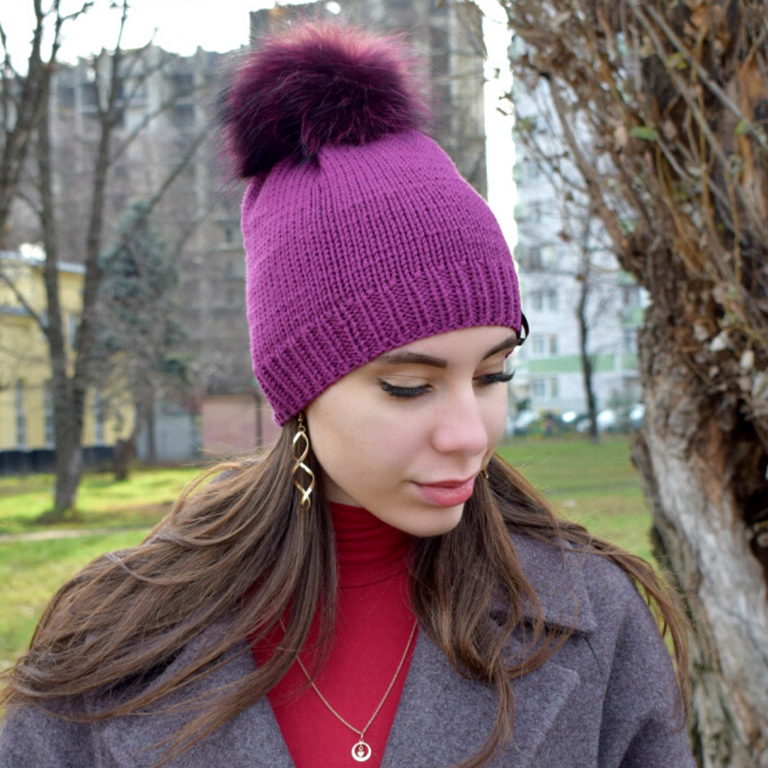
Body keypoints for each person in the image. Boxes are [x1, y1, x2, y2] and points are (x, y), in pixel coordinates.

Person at [0, 21, 695, 768]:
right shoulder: (113, 640)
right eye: (409, 386)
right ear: (299, 389)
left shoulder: (596, 620)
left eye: (493, 375)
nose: (471, 434)